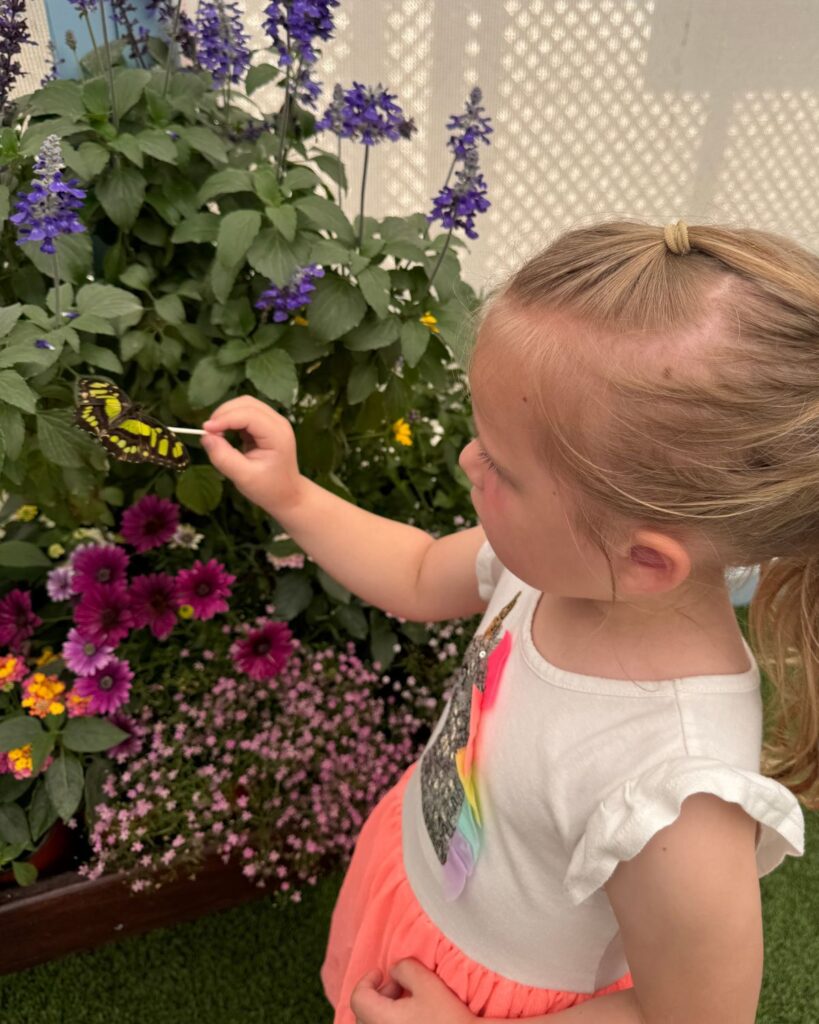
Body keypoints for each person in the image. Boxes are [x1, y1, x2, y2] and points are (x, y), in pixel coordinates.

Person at [200, 219, 814, 1023]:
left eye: (500, 463)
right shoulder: (559, 569)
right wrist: (290, 495)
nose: (466, 460)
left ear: (644, 559)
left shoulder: (676, 797)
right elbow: (419, 571)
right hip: (423, 890)